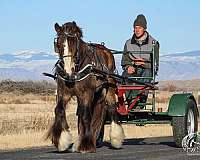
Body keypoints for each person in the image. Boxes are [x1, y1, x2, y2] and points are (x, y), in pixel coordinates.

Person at [121, 14, 160, 104]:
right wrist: (128, 67)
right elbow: (124, 60)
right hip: (133, 68)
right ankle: (130, 102)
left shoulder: (154, 43)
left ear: (145, 29)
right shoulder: (128, 43)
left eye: (140, 27)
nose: (137, 30)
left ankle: (140, 102)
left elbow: (155, 65)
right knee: (124, 76)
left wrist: (144, 64)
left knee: (147, 74)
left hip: (147, 69)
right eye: (135, 27)